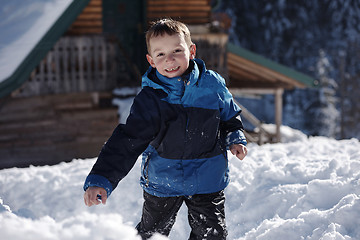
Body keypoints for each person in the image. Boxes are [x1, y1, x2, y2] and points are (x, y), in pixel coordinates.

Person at [83, 18, 248, 240]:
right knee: (151, 235)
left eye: (176, 51)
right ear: (151, 60)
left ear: (191, 50)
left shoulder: (212, 85)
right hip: (163, 180)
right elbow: (128, 141)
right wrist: (101, 178)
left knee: (212, 235)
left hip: (207, 178)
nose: (169, 60)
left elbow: (230, 115)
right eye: (160, 54)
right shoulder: (151, 99)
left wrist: (235, 137)